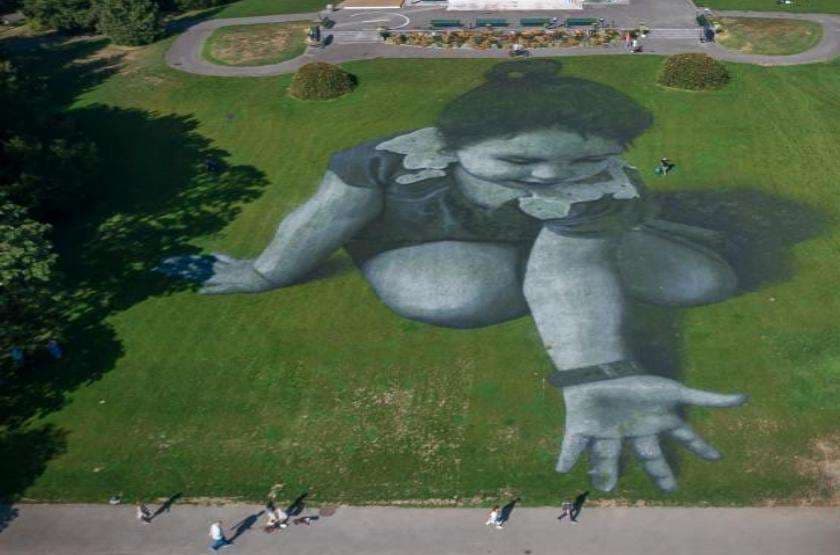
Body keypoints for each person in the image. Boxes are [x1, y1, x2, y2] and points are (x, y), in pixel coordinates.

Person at [160, 60, 746, 494]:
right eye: (519, 162)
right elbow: (319, 221)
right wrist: (265, 273)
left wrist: (595, 370)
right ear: (453, 145)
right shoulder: (386, 162)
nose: (550, 176)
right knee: (461, 292)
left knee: (702, 284)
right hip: (422, 242)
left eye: (588, 161)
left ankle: (616, 234)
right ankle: (559, 262)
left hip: (559, 242)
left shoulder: (594, 184)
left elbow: (570, 266)